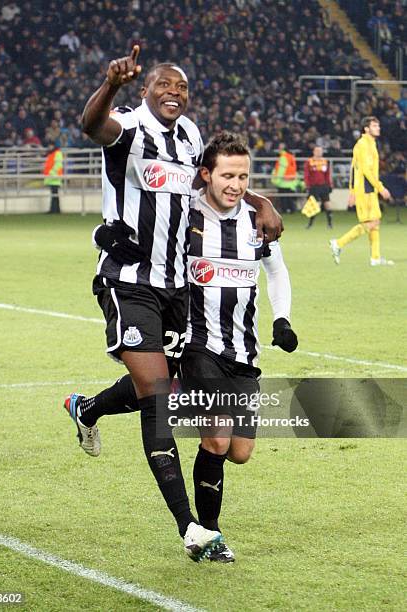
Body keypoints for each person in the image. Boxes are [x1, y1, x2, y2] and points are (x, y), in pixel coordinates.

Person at [63, 46, 283, 562]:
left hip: (179, 287)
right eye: (164, 85)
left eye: (182, 87)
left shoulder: (189, 138)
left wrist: (261, 201)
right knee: (158, 395)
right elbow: (91, 124)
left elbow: (220, 180)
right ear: (145, 90)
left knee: (178, 385)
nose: (174, 93)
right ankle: (194, 529)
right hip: (129, 279)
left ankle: (88, 408)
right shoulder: (125, 123)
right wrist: (110, 84)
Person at [180, 132, 297, 561]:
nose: (236, 184)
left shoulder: (257, 221)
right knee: (216, 440)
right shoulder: (186, 214)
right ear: (207, 175)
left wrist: (282, 318)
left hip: (243, 354)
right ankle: (207, 536)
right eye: (227, 175)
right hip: (198, 346)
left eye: (244, 176)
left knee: (240, 452)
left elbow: (277, 271)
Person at [329, 117, 393, 266]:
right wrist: (380, 187)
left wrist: (351, 191)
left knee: (375, 221)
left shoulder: (370, 143)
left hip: (368, 189)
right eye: (375, 126)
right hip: (366, 189)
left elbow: (353, 167)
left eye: (378, 125)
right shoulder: (363, 144)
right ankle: (338, 243)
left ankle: (375, 258)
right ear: (366, 129)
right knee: (371, 222)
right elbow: (365, 170)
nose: (378, 128)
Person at [303, 145, 333, 229]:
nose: (319, 152)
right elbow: (306, 175)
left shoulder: (325, 161)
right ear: (314, 152)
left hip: (323, 186)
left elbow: (327, 174)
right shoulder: (309, 162)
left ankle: (330, 224)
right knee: (314, 205)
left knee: (327, 204)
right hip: (314, 187)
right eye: (317, 151)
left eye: (320, 151)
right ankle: (310, 224)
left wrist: (330, 185)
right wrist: (307, 185)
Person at [271, 143, 301, 214]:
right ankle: (292, 210)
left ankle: (285, 210)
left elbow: (281, 170)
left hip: (283, 181)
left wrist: (276, 180)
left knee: (283, 198)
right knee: (289, 197)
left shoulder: (283, 157)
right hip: (291, 181)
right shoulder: (291, 156)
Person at [43, 140, 63, 214]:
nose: (49, 147)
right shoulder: (52, 153)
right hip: (52, 178)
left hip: (54, 177)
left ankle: (53, 210)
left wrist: (52, 172)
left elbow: (58, 164)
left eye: (50, 145)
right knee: (54, 195)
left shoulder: (57, 153)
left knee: (54, 195)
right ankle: (56, 210)